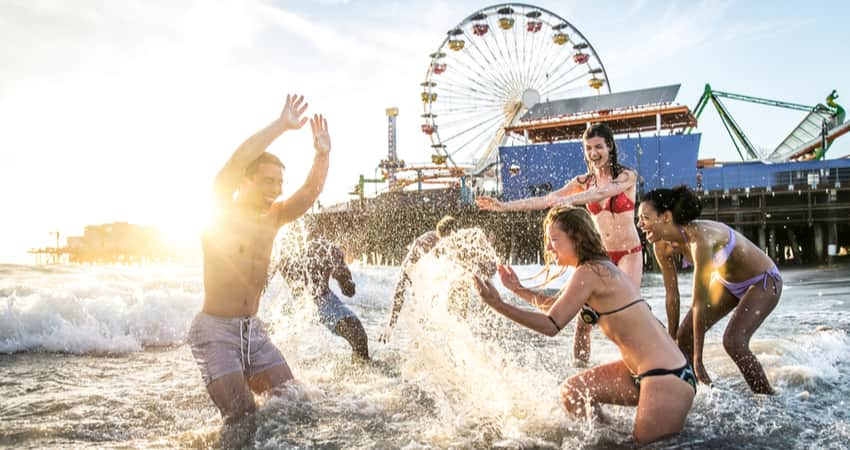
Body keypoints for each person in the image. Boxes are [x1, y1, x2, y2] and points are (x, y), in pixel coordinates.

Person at [473, 207, 695, 444]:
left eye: (554, 240)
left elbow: (551, 325)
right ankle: (607, 439)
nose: (548, 247)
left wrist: (498, 305)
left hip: (666, 377)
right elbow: (557, 307)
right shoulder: (595, 269)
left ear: (576, 238)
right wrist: (518, 290)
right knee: (574, 391)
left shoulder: (590, 272)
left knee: (642, 447)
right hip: (644, 373)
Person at [187, 94, 332, 422]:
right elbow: (238, 159)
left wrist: (322, 155)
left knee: (295, 406)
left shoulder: (274, 216)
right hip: (215, 331)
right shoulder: (221, 207)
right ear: (246, 180)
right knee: (242, 416)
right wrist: (281, 126)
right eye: (268, 181)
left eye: (280, 182)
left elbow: (309, 193)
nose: (276, 189)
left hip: (253, 331)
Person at [476, 123, 643, 364]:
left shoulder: (626, 176)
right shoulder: (583, 181)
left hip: (629, 253)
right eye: (588, 148)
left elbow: (599, 194)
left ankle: (636, 364)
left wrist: (567, 201)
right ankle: (580, 369)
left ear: (610, 147)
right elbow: (548, 199)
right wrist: (504, 206)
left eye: (598, 147)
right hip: (599, 256)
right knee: (583, 322)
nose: (594, 153)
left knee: (626, 314)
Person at [637, 185, 782, 394]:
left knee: (733, 341)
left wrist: (698, 359)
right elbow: (672, 297)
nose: (640, 224)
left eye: (645, 218)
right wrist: (671, 341)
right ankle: (695, 392)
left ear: (666, 216)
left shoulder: (700, 239)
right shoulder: (661, 245)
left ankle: (767, 397)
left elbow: (698, 303)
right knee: (684, 335)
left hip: (763, 281)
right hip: (727, 283)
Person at [276, 239, 369, 360]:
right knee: (357, 335)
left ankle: (360, 373)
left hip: (321, 300)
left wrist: (346, 280)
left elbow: (348, 291)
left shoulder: (330, 250)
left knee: (358, 335)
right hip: (300, 302)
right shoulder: (280, 245)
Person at [378, 215, 458, 342]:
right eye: (449, 238)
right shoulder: (424, 244)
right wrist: (391, 324)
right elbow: (402, 281)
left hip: (431, 275)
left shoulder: (453, 242)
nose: (451, 243)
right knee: (419, 312)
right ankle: (417, 341)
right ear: (441, 235)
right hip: (416, 274)